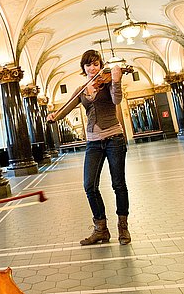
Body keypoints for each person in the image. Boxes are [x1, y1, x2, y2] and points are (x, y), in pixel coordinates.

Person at [47, 49, 130, 246]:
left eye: (96, 64)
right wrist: (54, 116)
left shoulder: (108, 82)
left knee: (118, 184)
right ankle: (100, 229)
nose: (93, 68)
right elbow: (66, 107)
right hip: (93, 141)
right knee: (89, 185)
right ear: (83, 68)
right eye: (88, 65)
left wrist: (117, 80)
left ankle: (123, 227)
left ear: (101, 66)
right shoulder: (81, 89)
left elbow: (117, 100)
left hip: (114, 137)